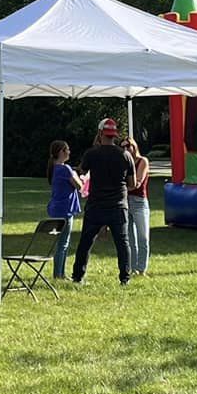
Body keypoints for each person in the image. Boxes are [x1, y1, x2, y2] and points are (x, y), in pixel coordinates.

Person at [71, 118, 137, 285]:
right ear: (114, 135)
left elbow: (82, 172)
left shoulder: (92, 154)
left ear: (100, 133)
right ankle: (125, 277)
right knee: (123, 243)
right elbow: (132, 183)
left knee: (86, 242)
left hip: (96, 205)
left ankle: (78, 276)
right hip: (118, 205)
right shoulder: (126, 155)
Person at [45, 140, 81, 279]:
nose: (69, 152)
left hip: (56, 208)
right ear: (61, 152)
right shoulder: (65, 169)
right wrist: (78, 176)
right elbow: (78, 186)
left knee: (61, 243)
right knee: (63, 244)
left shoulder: (54, 168)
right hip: (65, 210)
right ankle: (59, 274)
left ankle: (60, 273)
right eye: (67, 150)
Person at [124, 136, 153, 277]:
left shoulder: (142, 161)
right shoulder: (123, 162)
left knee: (143, 237)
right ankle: (133, 268)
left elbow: (138, 183)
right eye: (123, 147)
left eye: (128, 146)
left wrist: (122, 187)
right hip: (125, 201)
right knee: (130, 238)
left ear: (134, 147)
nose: (126, 149)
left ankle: (142, 269)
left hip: (139, 201)